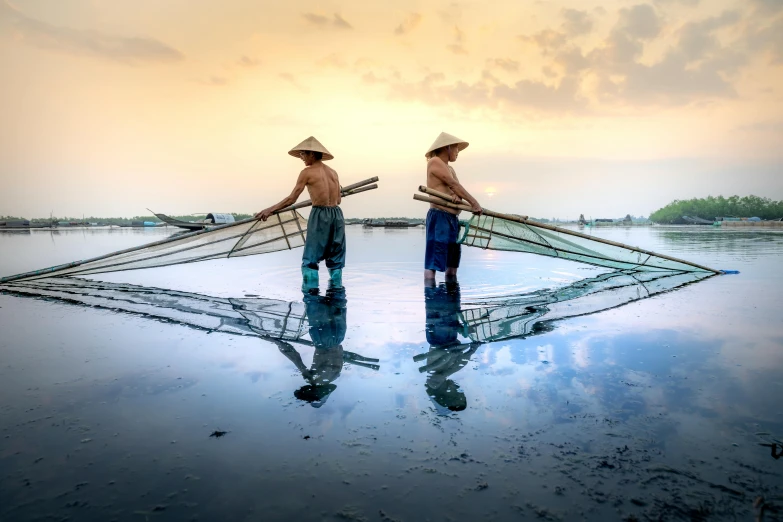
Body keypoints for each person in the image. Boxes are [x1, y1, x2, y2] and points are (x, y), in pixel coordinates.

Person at [255, 136, 345, 289]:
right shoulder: (333, 173)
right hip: (337, 215)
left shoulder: (306, 172)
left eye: (303, 154)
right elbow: (339, 199)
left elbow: (291, 199)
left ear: (312, 154)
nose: (301, 157)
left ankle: (311, 298)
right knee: (336, 258)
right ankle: (336, 301)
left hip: (320, 215)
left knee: (310, 259)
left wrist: (269, 210)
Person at [424, 132, 482, 281]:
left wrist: (458, 196)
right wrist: (473, 203)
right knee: (434, 262)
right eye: (456, 149)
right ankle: (433, 300)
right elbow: (453, 184)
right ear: (447, 147)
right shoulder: (435, 161)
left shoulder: (450, 169)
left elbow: (456, 189)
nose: (458, 153)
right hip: (439, 217)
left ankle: (451, 301)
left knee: (452, 264)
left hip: (452, 219)